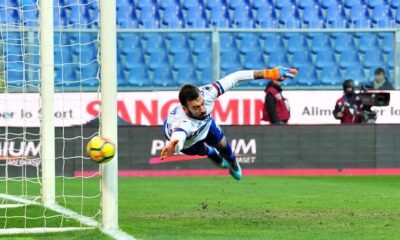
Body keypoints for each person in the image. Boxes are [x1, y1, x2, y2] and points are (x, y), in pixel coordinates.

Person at [160, 67, 298, 180]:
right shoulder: (180, 122)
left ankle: (232, 163)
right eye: (196, 107)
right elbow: (178, 136)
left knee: (225, 146)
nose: (203, 109)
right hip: (189, 142)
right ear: (185, 108)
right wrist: (173, 146)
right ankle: (211, 153)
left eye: (202, 103)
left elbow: (236, 77)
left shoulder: (208, 93)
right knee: (205, 150)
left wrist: (269, 73)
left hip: (206, 127)